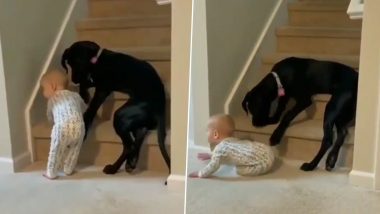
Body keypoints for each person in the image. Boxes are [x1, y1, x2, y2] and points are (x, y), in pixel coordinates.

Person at [189, 114, 275, 178]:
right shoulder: (234, 140)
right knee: (246, 145)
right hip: (268, 151)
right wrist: (211, 155)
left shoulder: (220, 149)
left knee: (239, 170)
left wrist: (200, 173)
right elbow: (224, 153)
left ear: (215, 134)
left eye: (207, 131)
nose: (206, 133)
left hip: (263, 164)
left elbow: (213, 166)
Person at [40, 70, 86, 179]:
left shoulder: (53, 99)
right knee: (74, 150)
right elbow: (83, 108)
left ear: (52, 86)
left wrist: (51, 122)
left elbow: (50, 115)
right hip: (79, 127)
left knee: (56, 149)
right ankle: (68, 169)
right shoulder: (75, 95)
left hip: (62, 127)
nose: (43, 92)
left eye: (43, 89)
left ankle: (51, 173)